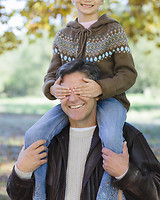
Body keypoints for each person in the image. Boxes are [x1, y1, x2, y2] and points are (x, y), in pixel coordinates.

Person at [25, 0, 137, 200]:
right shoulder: (63, 35)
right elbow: (51, 75)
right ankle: (38, 194)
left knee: (112, 137)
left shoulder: (113, 31)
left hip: (109, 100)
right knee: (33, 134)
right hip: (71, 102)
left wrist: (101, 88)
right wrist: (52, 88)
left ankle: (108, 194)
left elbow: (128, 74)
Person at [7, 59, 160, 200]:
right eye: (66, 92)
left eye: (81, 90)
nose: (73, 99)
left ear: (97, 93)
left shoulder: (126, 136)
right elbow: (17, 196)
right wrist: (21, 172)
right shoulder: (46, 140)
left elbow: (156, 193)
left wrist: (126, 174)